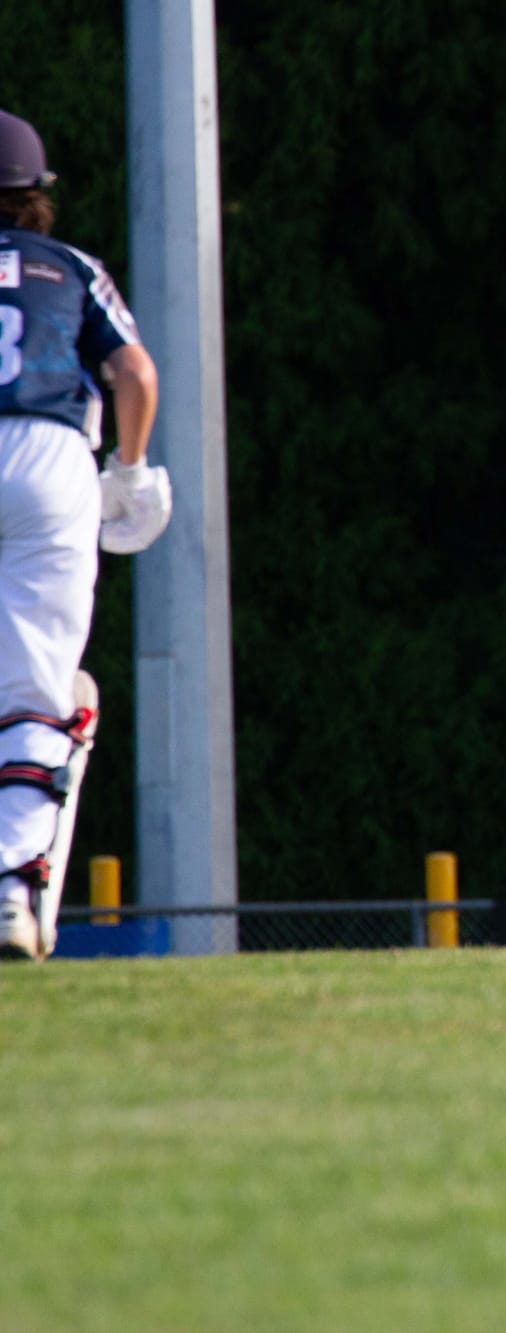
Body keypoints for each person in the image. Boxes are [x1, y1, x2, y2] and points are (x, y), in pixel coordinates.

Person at [0, 109, 172, 961]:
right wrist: (129, 471)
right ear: (35, 194)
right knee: (36, 694)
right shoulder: (71, 267)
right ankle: (11, 892)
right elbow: (134, 372)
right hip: (49, 456)